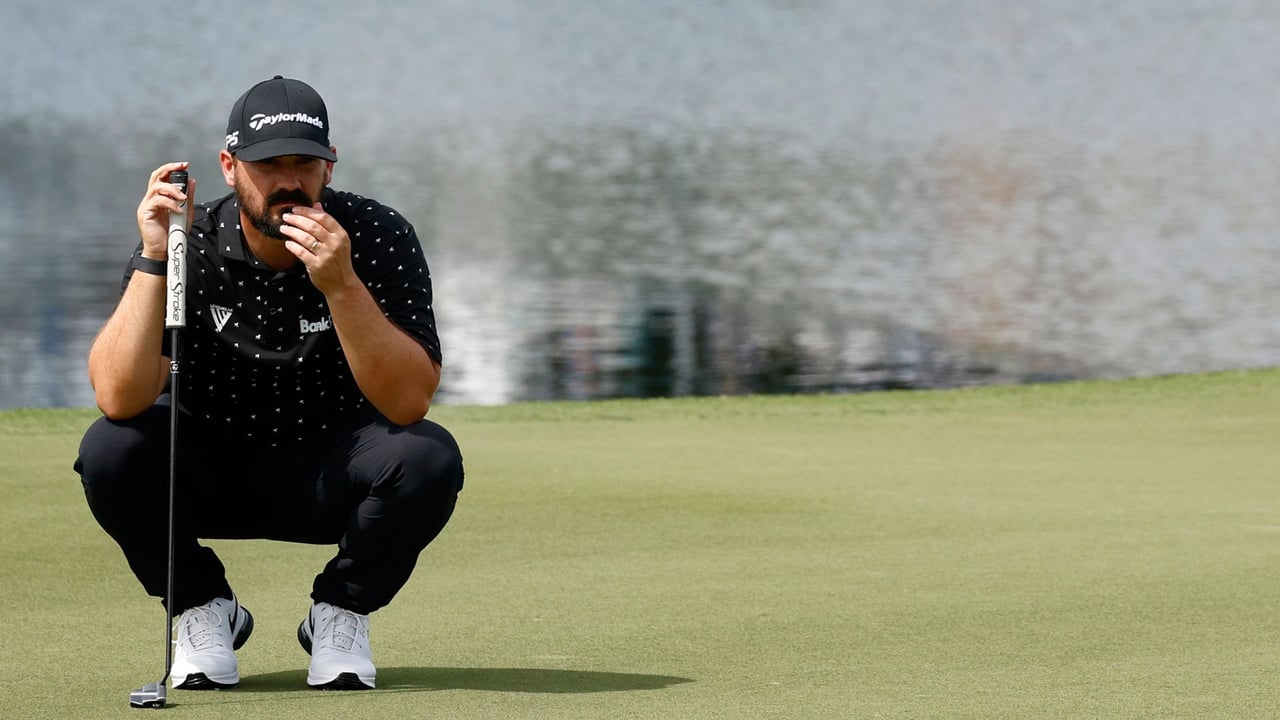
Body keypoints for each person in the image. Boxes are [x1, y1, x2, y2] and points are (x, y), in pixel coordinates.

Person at [74, 76, 464, 691]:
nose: (289, 182)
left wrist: (341, 284)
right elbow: (119, 396)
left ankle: (341, 612)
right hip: (208, 468)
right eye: (267, 164)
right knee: (110, 447)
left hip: (332, 471)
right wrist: (155, 253)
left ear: (328, 170)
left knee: (427, 456)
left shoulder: (378, 235)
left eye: (304, 163)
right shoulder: (187, 242)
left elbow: (408, 399)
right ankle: (202, 608)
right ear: (230, 167)